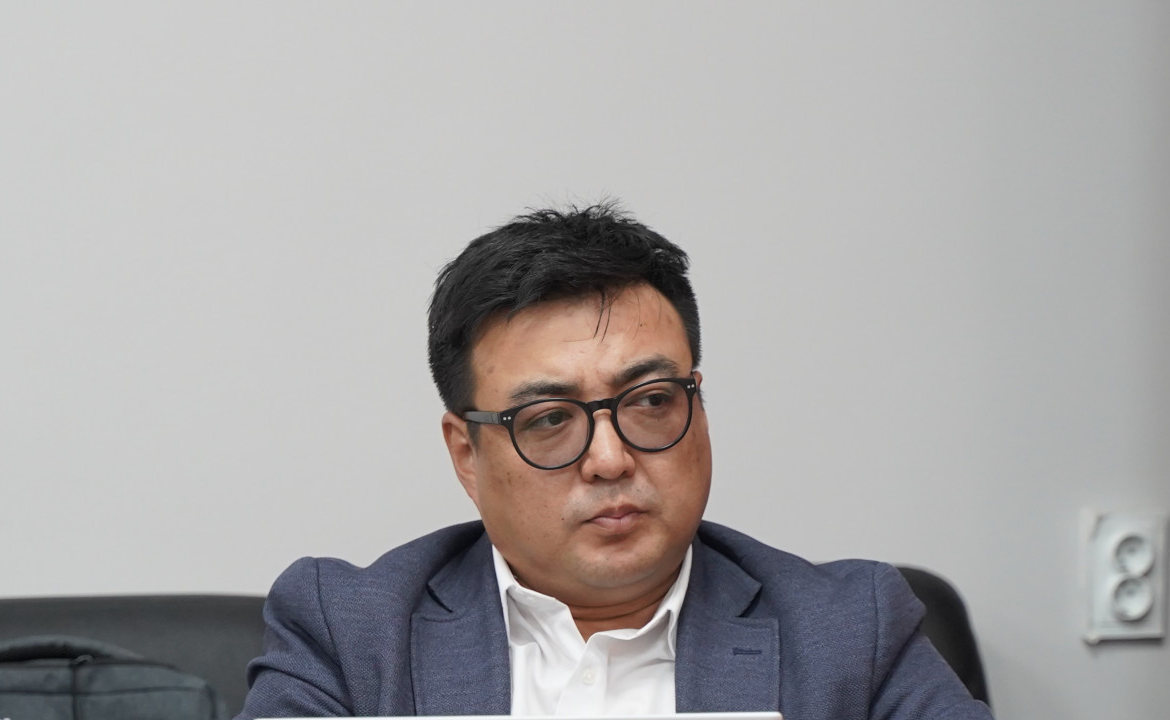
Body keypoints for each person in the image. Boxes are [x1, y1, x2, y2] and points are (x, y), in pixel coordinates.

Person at [236, 204, 993, 720]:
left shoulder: (847, 631)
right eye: (549, 420)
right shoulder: (353, 633)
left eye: (651, 401)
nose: (610, 457)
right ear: (467, 454)